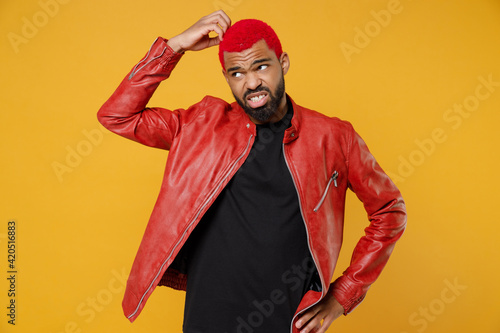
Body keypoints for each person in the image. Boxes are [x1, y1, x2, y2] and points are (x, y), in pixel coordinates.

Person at [97, 10, 407, 333]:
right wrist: (175, 46)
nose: (252, 82)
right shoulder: (201, 126)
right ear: (227, 78)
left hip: (285, 321)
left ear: (283, 63)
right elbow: (117, 116)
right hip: (207, 321)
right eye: (237, 73)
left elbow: (390, 211)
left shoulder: (333, 137)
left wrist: (342, 295)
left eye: (261, 66)